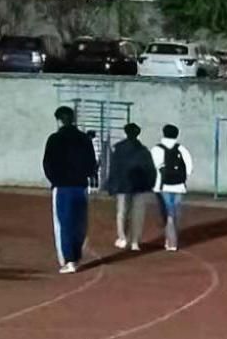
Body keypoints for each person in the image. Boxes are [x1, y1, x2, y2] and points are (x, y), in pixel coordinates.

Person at [42, 105, 99, 274]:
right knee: (79, 222)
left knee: (63, 224)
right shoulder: (84, 139)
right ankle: (77, 255)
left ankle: (69, 259)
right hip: (80, 186)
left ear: (59, 120)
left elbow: (47, 163)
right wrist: (86, 175)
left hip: (62, 186)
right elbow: (92, 162)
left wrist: (55, 179)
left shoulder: (54, 139)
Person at [107, 122, 157, 252]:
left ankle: (123, 237)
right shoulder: (143, 150)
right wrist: (150, 184)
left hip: (123, 185)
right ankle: (135, 241)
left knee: (122, 212)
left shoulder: (118, 149)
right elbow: (150, 169)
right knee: (138, 214)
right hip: (140, 185)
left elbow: (114, 168)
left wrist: (111, 185)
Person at [151, 124, 194, 252]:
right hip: (179, 186)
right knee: (175, 212)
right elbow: (189, 168)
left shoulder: (156, 149)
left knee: (168, 213)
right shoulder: (182, 149)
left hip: (162, 186)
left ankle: (170, 241)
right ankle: (172, 239)